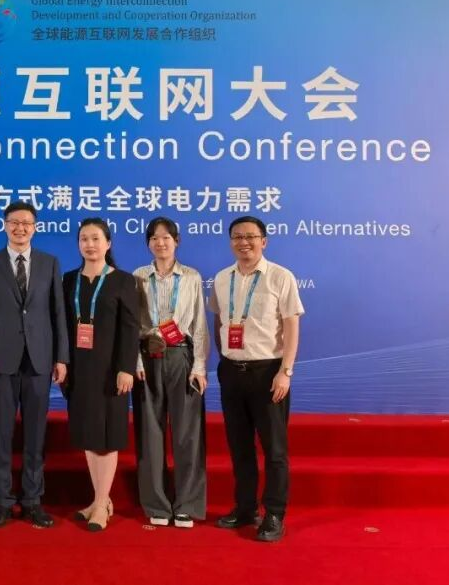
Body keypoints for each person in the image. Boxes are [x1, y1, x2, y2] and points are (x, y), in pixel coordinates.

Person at [209, 216, 303, 543]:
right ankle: (246, 508)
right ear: (230, 242)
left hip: (268, 373)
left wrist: (286, 371)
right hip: (232, 372)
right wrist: (225, 359)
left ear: (264, 241)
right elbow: (219, 320)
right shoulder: (222, 278)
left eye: (251, 236)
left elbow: (291, 326)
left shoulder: (280, 276)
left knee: (274, 450)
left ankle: (274, 514)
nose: (244, 242)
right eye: (237, 237)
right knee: (240, 447)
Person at [0, 201, 69, 528]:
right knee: (1, 434)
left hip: (40, 359)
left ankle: (32, 500)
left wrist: (61, 357)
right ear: (4, 225)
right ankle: (2, 500)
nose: (20, 228)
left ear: (35, 227)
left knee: (35, 435)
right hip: (1, 361)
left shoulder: (49, 263)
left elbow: (58, 312)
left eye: (26, 223)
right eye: (14, 222)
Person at [62, 217, 140, 532]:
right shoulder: (69, 280)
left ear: (108, 243)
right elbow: (62, 326)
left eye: (96, 238)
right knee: (88, 435)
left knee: (106, 438)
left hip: (111, 371)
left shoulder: (123, 280)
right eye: (84, 239)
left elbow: (131, 328)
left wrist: (126, 367)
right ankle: (100, 501)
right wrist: (62, 363)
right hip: (78, 369)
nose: (90, 244)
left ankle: (100, 504)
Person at [132, 217, 209, 528]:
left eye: (166, 237)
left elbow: (199, 326)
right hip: (147, 357)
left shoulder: (191, 277)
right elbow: (132, 325)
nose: (160, 243)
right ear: (148, 243)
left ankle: (186, 504)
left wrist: (199, 366)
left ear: (176, 241)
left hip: (181, 356)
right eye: (154, 238)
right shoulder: (138, 277)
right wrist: (135, 362)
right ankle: (157, 505)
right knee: (149, 433)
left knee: (188, 433)